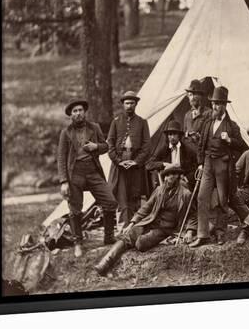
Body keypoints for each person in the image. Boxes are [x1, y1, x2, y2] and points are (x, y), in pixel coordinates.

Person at [94, 167, 197, 276]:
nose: (170, 177)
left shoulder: (186, 194)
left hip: (166, 228)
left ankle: (146, 240)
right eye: (167, 174)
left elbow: (193, 215)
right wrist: (132, 223)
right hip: (150, 222)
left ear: (178, 176)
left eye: (173, 174)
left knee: (140, 244)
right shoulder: (159, 190)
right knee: (128, 235)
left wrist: (190, 231)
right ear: (165, 177)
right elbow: (146, 208)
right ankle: (105, 263)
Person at [189, 86, 249, 247]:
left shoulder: (232, 126)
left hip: (223, 164)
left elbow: (243, 146)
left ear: (224, 106)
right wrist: (201, 163)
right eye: (214, 103)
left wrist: (230, 140)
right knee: (202, 197)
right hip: (208, 163)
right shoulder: (208, 123)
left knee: (223, 200)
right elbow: (201, 145)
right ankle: (203, 235)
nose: (214, 107)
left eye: (218, 104)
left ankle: (221, 233)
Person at [57, 99, 118, 257]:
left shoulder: (94, 127)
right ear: (71, 115)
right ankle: (78, 242)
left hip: (93, 171)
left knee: (110, 202)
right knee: (75, 209)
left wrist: (95, 147)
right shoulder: (66, 132)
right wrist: (64, 181)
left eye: (80, 110)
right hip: (75, 174)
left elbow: (106, 147)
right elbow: (61, 158)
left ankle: (109, 237)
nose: (78, 113)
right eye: (74, 111)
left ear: (85, 112)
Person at [107, 91, 151, 228]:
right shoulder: (115, 122)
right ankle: (122, 229)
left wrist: (136, 161)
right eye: (127, 103)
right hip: (119, 164)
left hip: (136, 164)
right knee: (121, 198)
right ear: (123, 105)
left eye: (132, 103)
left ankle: (135, 227)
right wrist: (118, 161)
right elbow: (110, 144)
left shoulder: (142, 122)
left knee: (135, 195)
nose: (129, 106)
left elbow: (146, 146)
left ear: (136, 104)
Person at [146, 120, 198, 189]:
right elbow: (149, 164)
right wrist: (164, 164)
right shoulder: (164, 150)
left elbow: (196, 167)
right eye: (170, 134)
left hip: (182, 181)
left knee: (182, 189)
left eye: (174, 134)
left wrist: (187, 178)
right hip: (167, 181)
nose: (172, 137)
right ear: (167, 136)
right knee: (160, 191)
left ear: (179, 135)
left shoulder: (187, 150)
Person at [182, 79, 212, 147]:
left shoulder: (209, 113)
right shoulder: (187, 115)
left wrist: (198, 136)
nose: (192, 98)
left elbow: (211, 136)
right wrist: (188, 134)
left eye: (195, 94)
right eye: (190, 95)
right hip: (188, 153)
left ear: (201, 96)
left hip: (201, 153)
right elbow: (184, 136)